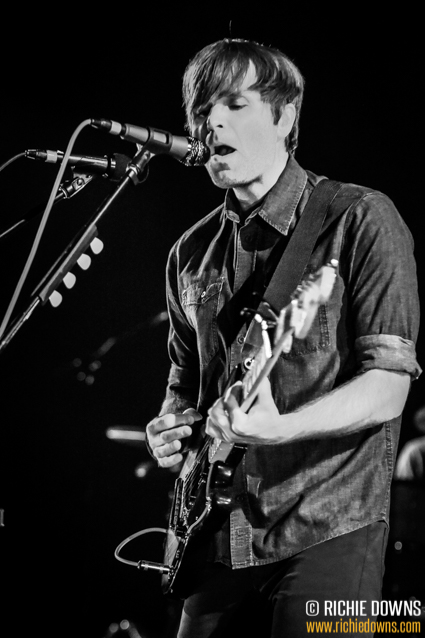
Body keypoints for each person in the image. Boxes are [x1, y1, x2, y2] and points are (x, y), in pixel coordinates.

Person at [145, 39, 421, 637]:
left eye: (234, 104)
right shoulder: (189, 254)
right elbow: (183, 383)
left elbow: (389, 386)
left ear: (285, 117)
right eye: (202, 110)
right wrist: (170, 427)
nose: (212, 122)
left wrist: (281, 428)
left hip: (329, 524)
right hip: (218, 535)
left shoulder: (360, 219)